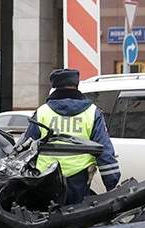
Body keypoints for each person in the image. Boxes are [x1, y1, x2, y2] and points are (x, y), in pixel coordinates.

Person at [21, 68, 120, 205]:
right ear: (76, 86)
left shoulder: (43, 112)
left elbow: (26, 147)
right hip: (79, 178)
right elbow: (104, 149)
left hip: (46, 178)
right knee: (77, 219)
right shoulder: (92, 112)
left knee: (48, 218)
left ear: (54, 87)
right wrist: (111, 182)